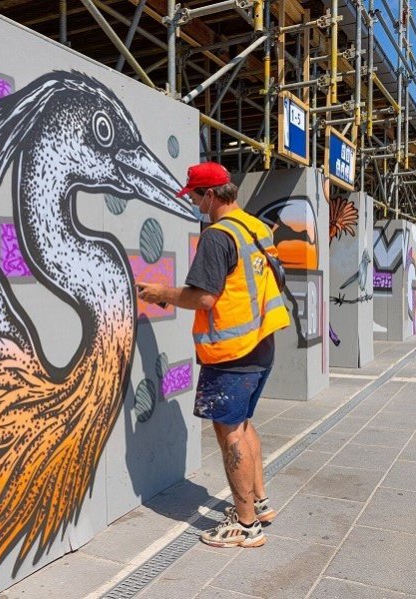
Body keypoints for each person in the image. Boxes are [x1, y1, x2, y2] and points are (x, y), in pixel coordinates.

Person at [136, 162, 290, 548]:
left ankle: (246, 525)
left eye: (195, 196)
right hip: (261, 344)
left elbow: (203, 297)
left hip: (231, 351)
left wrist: (161, 294)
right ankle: (260, 503)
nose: (195, 204)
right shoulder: (254, 227)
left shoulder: (217, 237)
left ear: (210, 195)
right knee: (243, 424)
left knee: (230, 432)